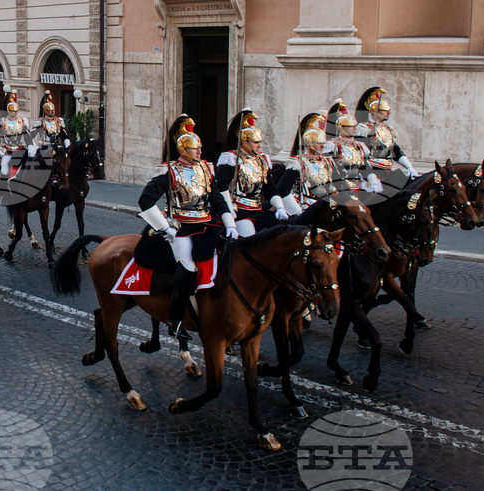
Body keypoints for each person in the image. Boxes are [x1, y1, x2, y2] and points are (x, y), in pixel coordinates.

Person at [137, 115, 237, 340]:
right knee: (189, 267)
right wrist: (165, 228)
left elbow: (218, 199)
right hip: (179, 227)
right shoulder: (170, 171)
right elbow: (145, 200)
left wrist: (230, 222)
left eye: (200, 147)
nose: (200, 151)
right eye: (194, 148)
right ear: (183, 149)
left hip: (205, 224)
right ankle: (175, 321)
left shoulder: (205, 169)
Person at [215, 109, 287, 237]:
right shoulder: (231, 159)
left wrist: (280, 207)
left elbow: (270, 189)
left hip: (257, 208)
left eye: (260, 142)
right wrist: (228, 209)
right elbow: (221, 186)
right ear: (244, 141)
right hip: (238, 210)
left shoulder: (262, 160)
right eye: (255, 142)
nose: (259, 146)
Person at [277, 113, 337, 216]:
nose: (323, 146)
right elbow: (282, 189)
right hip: (303, 206)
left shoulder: (328, 161)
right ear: (309, 143)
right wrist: (297, 212)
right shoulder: (298, 163)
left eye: (323, 143)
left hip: (323, 205)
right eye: (319, 143)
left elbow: (336, 184)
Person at [354, 86, 419, 180]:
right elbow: (360, 154)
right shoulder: (365, 128)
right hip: (371, 171)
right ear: (375, 111)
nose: (388, 112)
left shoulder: (389, 130)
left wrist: (409, 167)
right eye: (385, 110)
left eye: (389, 110)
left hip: (387, 170)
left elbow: (396, 150)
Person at [0, 90, 31, 177]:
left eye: (16, 111)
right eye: (13, 111)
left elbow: (27, 136)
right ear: (8, 110)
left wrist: (31, 147)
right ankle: (4, 183)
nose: (15, 112)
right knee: (4, 169)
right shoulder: (1, 122)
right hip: (6, 150)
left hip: (19, 149)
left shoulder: (22, 122)